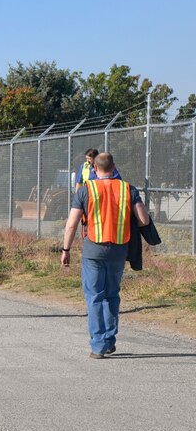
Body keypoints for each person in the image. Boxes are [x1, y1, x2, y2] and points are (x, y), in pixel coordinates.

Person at [61, 152, 149, 358]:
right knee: (111, 294)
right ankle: (109, 341)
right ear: (114, 167)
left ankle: (98, 346)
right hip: (119, 249)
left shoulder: (86, 190)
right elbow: (144, 220)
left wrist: (65, 250)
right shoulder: (128, 188)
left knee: (94, 297)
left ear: (94, 169)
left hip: (93, 249)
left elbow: (72, 223)